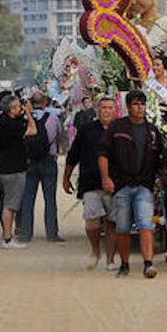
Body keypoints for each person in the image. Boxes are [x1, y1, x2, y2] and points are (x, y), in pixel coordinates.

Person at [98, 89, 162, 278]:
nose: (140, 108)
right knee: (123, 228)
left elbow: (160, 157)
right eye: (135, 104)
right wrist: (106, 177)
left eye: (142, 104)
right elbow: (103, 154)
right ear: (128, 107)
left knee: (145, 224)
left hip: (144, 185)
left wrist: (159, 178)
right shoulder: (117, 128)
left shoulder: (152, 131)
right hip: (122, 185)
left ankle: (148, 263)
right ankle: (124, 264)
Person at [64, 95, 118, 271]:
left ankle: (110, 258)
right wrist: (66, 178)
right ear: (97, 109)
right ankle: (95, 250)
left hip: (115, 184)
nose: (106, 111)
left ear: (115, 111)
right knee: (92, 222)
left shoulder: (120, 129)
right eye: (103, 108)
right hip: (90, 182)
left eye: (110, 108)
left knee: (112, 222)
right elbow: (73, 155)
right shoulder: (87, 130)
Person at [18, 91, 65, 243]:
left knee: (27, 198)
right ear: (45, 102)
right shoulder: (52, 118)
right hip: (48, 160)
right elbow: (60, 136)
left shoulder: (24, 118)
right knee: (49, 198)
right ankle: (52, 233)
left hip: (28, 161)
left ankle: (25, 233)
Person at [0, 94, 32, 249]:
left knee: (10, 203)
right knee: (11, 204)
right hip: (13, 168)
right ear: (12, 109)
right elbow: (32, 130)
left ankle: (9, 236)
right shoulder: (10, 125)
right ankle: (7, 238)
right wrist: (28, 113)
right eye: (18, 106)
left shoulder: (2, 122)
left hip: (6, 166)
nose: (20, 108)